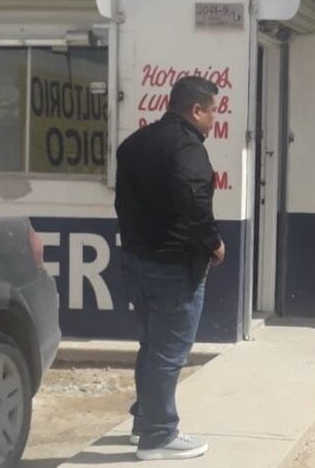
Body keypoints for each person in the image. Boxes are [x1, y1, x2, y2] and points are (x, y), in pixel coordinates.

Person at [114, 75, 226, 461]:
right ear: (196, 110)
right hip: (174, 268)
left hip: (136, 262)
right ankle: (158, 436)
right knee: (168, 353)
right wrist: (213, 243)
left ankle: (143, 422)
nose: (214, 119)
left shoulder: (134, 144)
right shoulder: (187, 148)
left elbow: (123, 205)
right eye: (213, 111)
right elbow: (195, 205)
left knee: (152, 347)